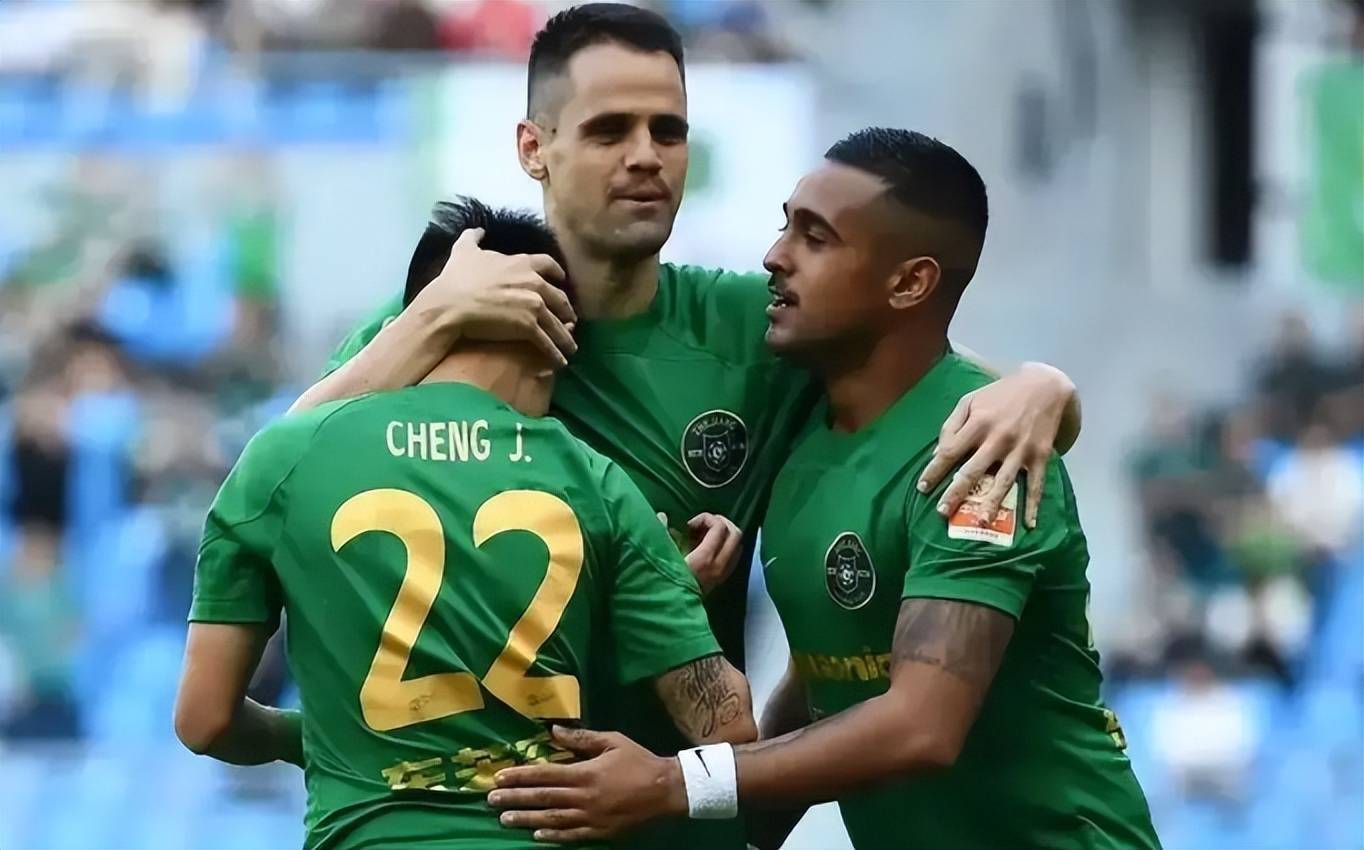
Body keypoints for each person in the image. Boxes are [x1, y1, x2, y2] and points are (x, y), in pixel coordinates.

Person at [295, 5, 1083, 848]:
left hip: (680, 824)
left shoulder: (754, 330)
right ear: (533, 148)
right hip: (477, 824)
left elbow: (946, 392)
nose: (647, 155)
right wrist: (429, 318)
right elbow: (277, 482)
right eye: (609, 130)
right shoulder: (440, 329)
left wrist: (1046, 389)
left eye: (668, 131)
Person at [489, 129, 1160, 850]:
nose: (775, 256)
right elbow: (826, 677)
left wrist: (674, 783)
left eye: (815, 238)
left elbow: (921, 726)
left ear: (909, 284)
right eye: (786, 226)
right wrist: (746, 836)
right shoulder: (808, 436)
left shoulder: (980, 454)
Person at [173, 200, 756, 850]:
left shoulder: (284, 459)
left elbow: (204, 721)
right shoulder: (598, 482)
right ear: (559, 336)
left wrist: (323, 739)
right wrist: (662, 764)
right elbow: (730, 733)